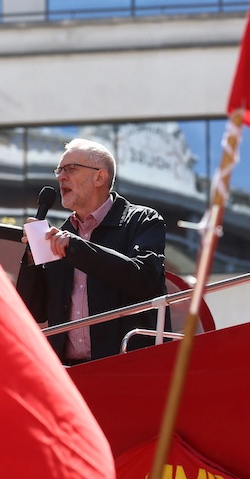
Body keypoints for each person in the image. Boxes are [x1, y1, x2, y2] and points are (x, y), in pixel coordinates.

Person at [16, 138, 169, 363]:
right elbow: (34, 311)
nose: (60, 177)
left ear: (99, 177)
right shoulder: (62, 235)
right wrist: (32, 257)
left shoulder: (142, 220)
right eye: (59, 170)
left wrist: (76, 247)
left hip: (128, 368)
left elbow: (143, 278)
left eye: (71, 169)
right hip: (69, 373)